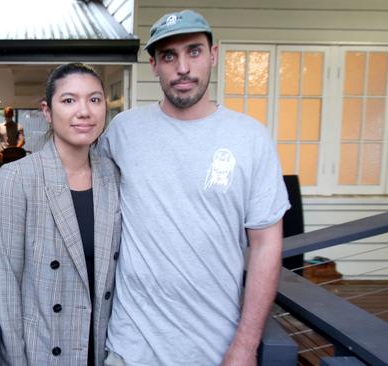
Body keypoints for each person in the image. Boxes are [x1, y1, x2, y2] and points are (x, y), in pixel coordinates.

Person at [99, 9, 290, 366]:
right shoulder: (123, 132)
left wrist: (246, 346)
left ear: (213, 55)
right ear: (154, 65)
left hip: (214, 347)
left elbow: (266, 245)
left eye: (194, 51)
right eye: (169, 56)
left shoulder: (250, 138)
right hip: (131, 346)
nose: (182, 67)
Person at [0, 63, 121, 366]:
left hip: (101, 349)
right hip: (44, 351)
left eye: (94, 99)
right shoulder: (18, 178)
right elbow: (3, 285)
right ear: (47, 110)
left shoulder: (112, 176)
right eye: (69, 100)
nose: (84, 111)